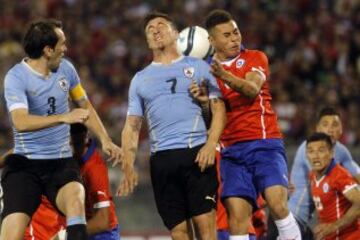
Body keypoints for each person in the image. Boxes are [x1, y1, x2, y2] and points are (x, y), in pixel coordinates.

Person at [2, 19, 121, 240]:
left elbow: (85, 106)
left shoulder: (67, 70)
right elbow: (20, 121)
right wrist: (63, 117)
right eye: (62, 44)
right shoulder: (16, 77)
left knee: (76, 199)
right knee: (11, 233)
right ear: (48, 50)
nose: (65, 49)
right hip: (26, 165)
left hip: (60, 162)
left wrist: (105, 139)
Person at [118, 11, 226, 240]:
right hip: (162, 160)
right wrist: (128, 164)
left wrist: (211, 144)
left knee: (205, 227)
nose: (155, 29)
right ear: (147, 41)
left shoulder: (198, 67)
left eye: (161, 25)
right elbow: (132, 126)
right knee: (178, 232)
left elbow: (219, 109)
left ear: (176, 33)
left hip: (196, 154)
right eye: (150, 29)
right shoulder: (140, 79)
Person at [202, 9, 301, 239]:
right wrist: (201, 99)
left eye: (235, 32)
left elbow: (251, 89)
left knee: (277, 204)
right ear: (211, 40)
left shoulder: (255, 58)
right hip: (231, 152)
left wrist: (224, 75)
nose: (234, 39)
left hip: (264, 143)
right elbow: (211, 114)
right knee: (237, 219)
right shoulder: (205, 71)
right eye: (226, 35)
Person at [22, 123, 121, 240]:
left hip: (100, 234)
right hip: (75, 225)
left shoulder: (94, 168)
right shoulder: (63, 157)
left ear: (86, 138)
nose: (73, 150)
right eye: (70, 144)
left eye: (77, 144)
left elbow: (103, 221)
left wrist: (64, 235)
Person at [287, 107, 360, 238]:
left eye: (335, 125)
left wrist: (333, 226)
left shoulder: (340, 157)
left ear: (342, 129)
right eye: (325, 124)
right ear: (317, 128)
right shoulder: (309, 150)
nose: (330, 129)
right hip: (293, 217)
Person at [306, 132, 360, 239]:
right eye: (311, 151)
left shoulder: (339, 175)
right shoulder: (312, 175)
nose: (315, 156)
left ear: (331, 153)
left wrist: (333, 226)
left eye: (321, 150)